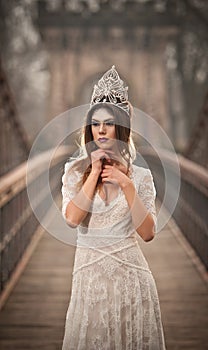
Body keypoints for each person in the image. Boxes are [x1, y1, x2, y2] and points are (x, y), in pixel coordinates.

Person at [61, 66, 166, 349]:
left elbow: (147, 233)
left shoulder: (141, 177)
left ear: (121, 128)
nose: (102, 130)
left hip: (132, 281)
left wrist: (127, 184)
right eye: (96, 123)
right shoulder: (73, 171)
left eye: (108, 123)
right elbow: (72, 218)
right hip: (89, 281)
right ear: (89, 128)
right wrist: (93, 173)